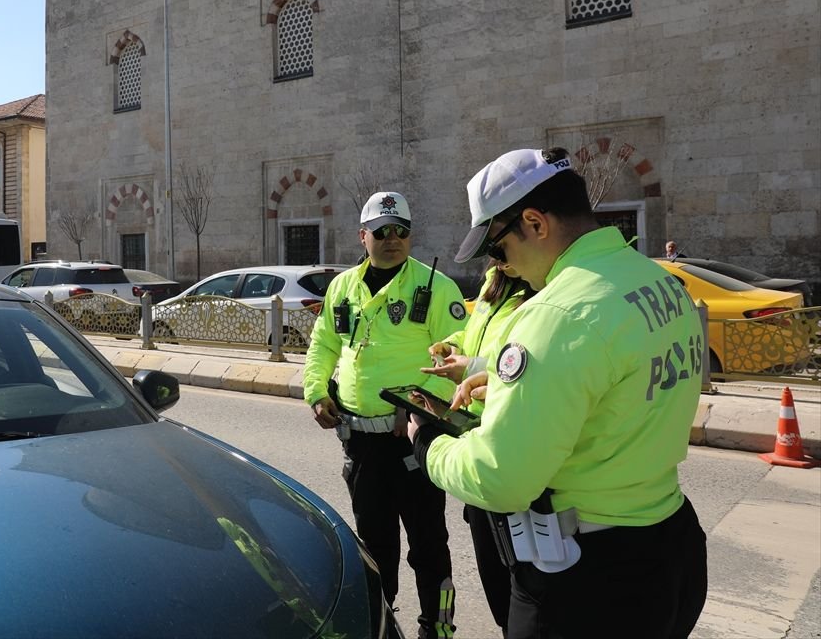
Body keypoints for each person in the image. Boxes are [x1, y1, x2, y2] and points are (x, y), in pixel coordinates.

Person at [410, 148, 708, 639]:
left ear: (534, 222)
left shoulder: (557, 313)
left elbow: (501, 480)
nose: (499, 264)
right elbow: (617, 383)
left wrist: (428, 443)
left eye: (497, 248)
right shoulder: (658, 282)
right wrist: (506, 378)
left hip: (589, 581)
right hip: (669, 543)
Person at [303, 191, 469, 639]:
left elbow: (458, 352)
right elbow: (324, 345)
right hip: (360, 442)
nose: (392, 239)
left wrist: (415, 404)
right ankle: (381, 623)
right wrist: (316, 391)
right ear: (363, 236)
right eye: (382, 232)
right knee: (375, 547)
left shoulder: (434, 286)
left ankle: (438, 626)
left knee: (428, 544)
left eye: (401, 231)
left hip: (414, 438)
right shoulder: (342, 287)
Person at [422, 260, 535, 636]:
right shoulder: (495, 280)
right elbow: (477, 334)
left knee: (528, 600)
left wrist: (474, 366)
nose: (499, 256)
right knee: (501, 595)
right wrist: (455, 347)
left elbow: (534, 365)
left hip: (515, 446)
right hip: (478, 437)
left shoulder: (545, 288)